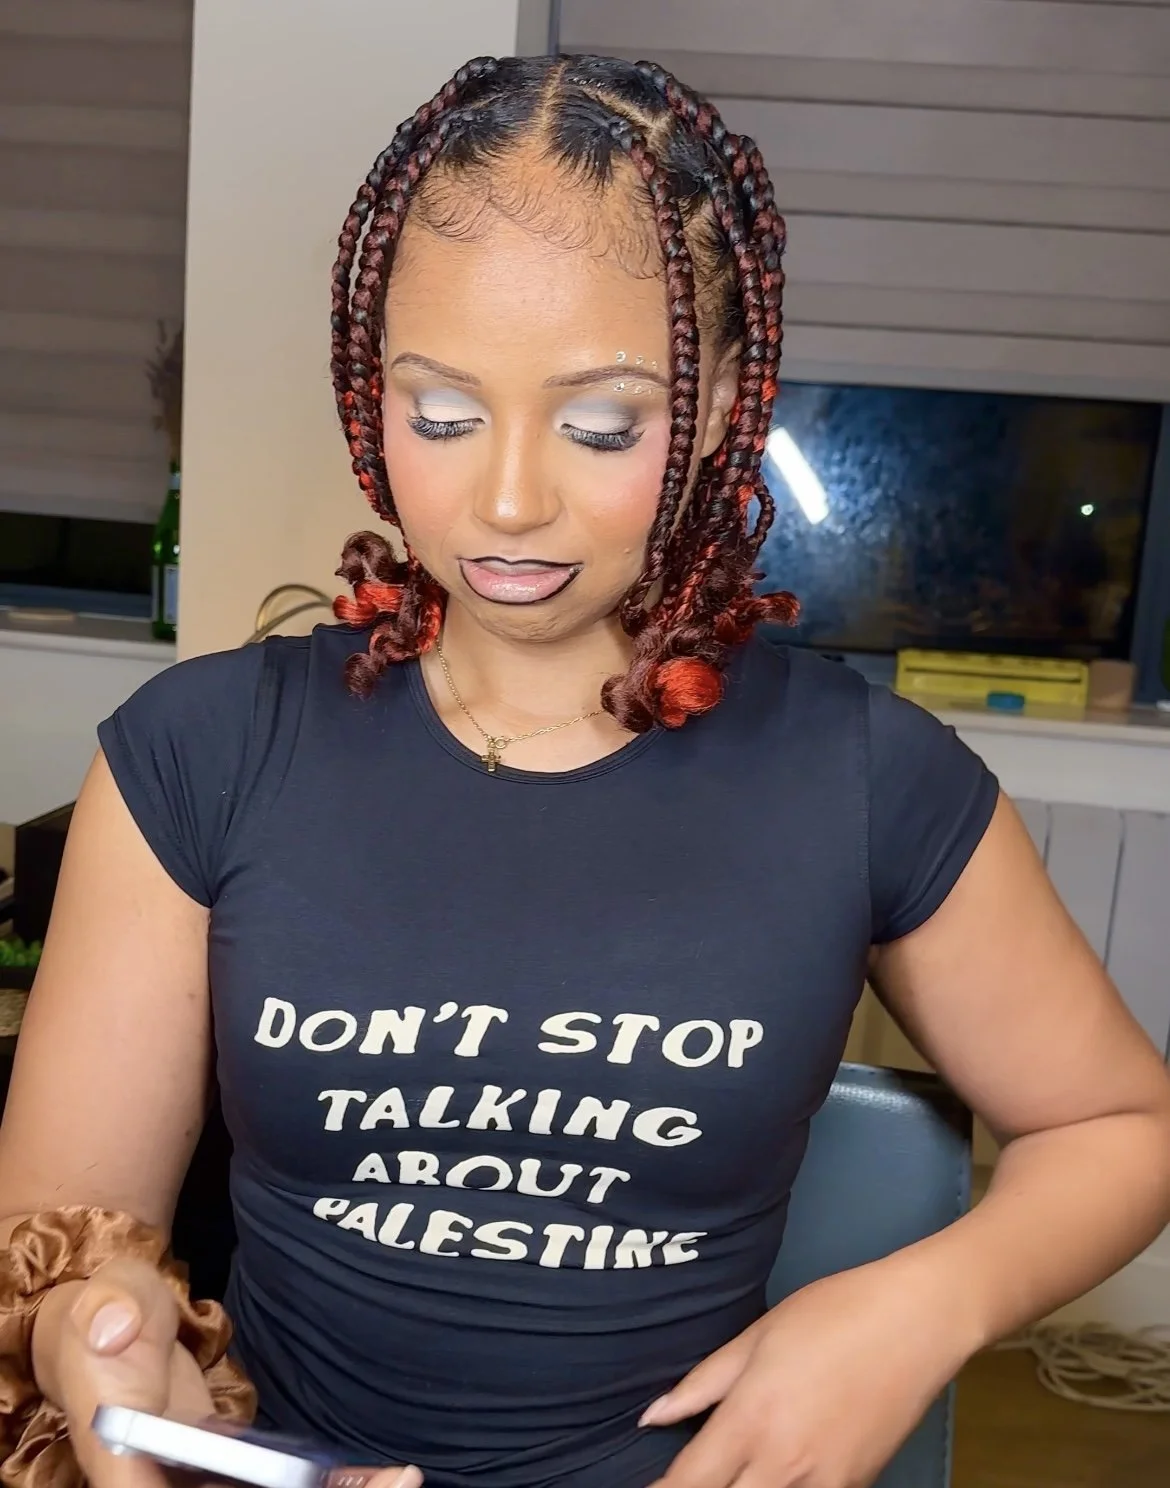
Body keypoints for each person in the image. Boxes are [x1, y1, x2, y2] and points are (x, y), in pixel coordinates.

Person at [2, 53, 1169, 1488]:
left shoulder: (862, 778)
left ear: (727, 400)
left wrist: (910, 1308)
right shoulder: (198, 755)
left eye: (601, 424)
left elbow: (1120, 1124)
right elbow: (69, 1232)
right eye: (438, 415)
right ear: (371, 395)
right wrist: (103, 1337)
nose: (505, 496)